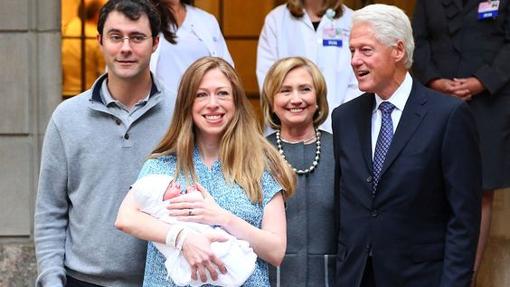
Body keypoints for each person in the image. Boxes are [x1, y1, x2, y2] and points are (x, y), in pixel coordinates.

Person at [332, 4, 482, 286]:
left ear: (398, 51)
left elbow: (463, 220)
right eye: (351, 50)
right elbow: (344, 209)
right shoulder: (344, 118)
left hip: (421, 278)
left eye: (365, 50)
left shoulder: (447, 117)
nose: (354, 60)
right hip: (356, 276)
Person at [115, 56, 296, 286]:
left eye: (222, 93)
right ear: (187, 104)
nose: (213, 103)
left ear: (236, 102)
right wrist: (183, 238)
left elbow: (276, 251)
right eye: (201, 94)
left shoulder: (260, 167)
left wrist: (222, 217)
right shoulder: (163, 164)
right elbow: (126, 218)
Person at [34, 0, 174, 286]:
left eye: (137, 37)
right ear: (100, 40)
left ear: (156, 43)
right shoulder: (67, 118)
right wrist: (50, 280)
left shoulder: (179, 114)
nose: (125, 47)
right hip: (81, 280)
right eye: (115, 36)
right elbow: (50, 209)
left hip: (162, 278)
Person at [411, 1, 510, 283]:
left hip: (489, 100)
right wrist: (433, 81)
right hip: (437, 99)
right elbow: (417, 40)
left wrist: (482, 81)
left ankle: (467, 277)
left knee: (479, 188)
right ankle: (435, 270)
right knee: (432, 182)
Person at [260, 56, 336, 286]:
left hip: (331, 277)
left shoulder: (342, 150)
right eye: (285, 90)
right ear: (272, 101)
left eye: (305, 89)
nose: (296, 99)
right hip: (270, 278)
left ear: (318, 99)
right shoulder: (255, 154)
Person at [130, 174, 257, 286]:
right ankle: (235, 270)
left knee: (223, 257)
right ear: (158, 198)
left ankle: (236, 269)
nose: (178, 185)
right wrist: (194, 195)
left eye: (174, 182)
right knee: (219, 257)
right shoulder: (163, 211)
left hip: (204, 241)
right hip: (195, 248)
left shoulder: (162, 210)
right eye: (171, 186)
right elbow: (125, 220)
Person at [257, 0, 359, 133]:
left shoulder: (352, 20)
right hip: (286, 129)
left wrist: (339, 119)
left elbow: (357, 81)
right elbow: (269, 82)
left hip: (342, 127)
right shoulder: (276, 20)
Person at [149, 0, 233, 96]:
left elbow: (226, 69)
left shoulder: (206, 20)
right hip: (161, 105)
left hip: (203, 105)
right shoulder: (145, 18)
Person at [62, 0, 106, 97]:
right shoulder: (95, 36)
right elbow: (104, 71)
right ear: (97, 14)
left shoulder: (70, 26)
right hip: (87, 92)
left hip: (64, 90)